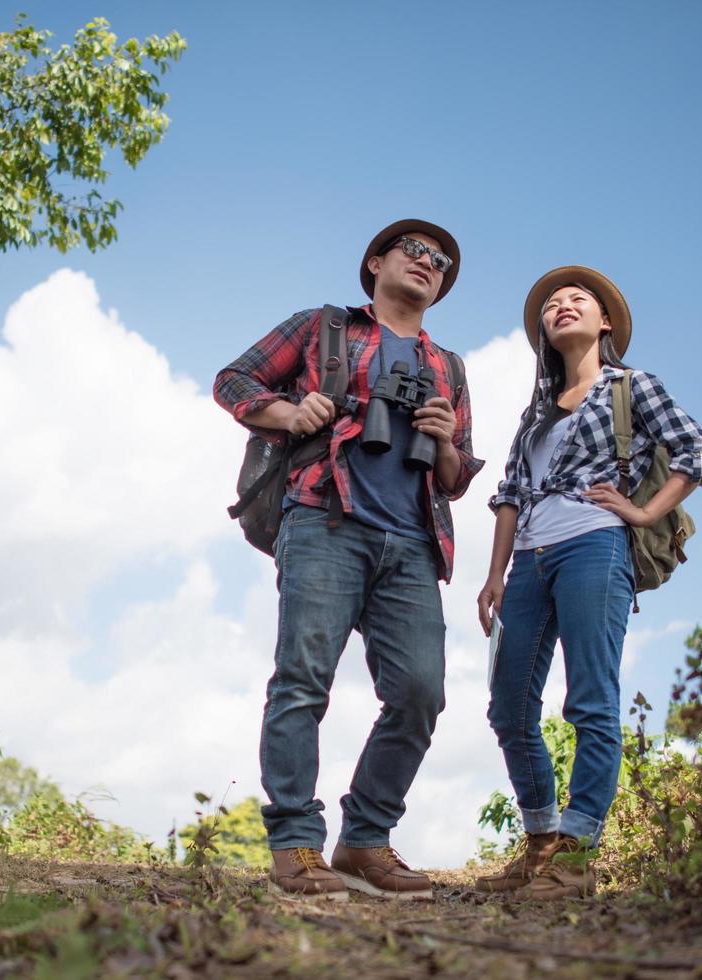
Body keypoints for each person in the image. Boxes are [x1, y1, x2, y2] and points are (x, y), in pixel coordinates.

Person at [214, 219, 484, 901]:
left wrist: (445, 441)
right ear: (375, 262)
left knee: (421, 693)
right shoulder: (322, 328)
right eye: (414, 250)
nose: (429, 262)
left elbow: (452, 477)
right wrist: (285, 411)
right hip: (324, 520)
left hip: (413, 544)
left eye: (441, 260)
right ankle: (296, 845)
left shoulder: (447, 366)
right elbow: (233, 379)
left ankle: (364, 839)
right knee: (303, 681)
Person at [474, 266, 702, 898]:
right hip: (526, 559)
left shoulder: (631, 387)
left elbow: (698, 451)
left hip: (594, 547)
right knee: (508, 707)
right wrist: (494, 574)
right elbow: (508, 494)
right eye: (551, 304)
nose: (561, 307)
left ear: (603, 322)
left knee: (589, 700)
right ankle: (540, 841)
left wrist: (641, 512)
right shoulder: (534, 414)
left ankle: (578, 853)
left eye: (576, 300)